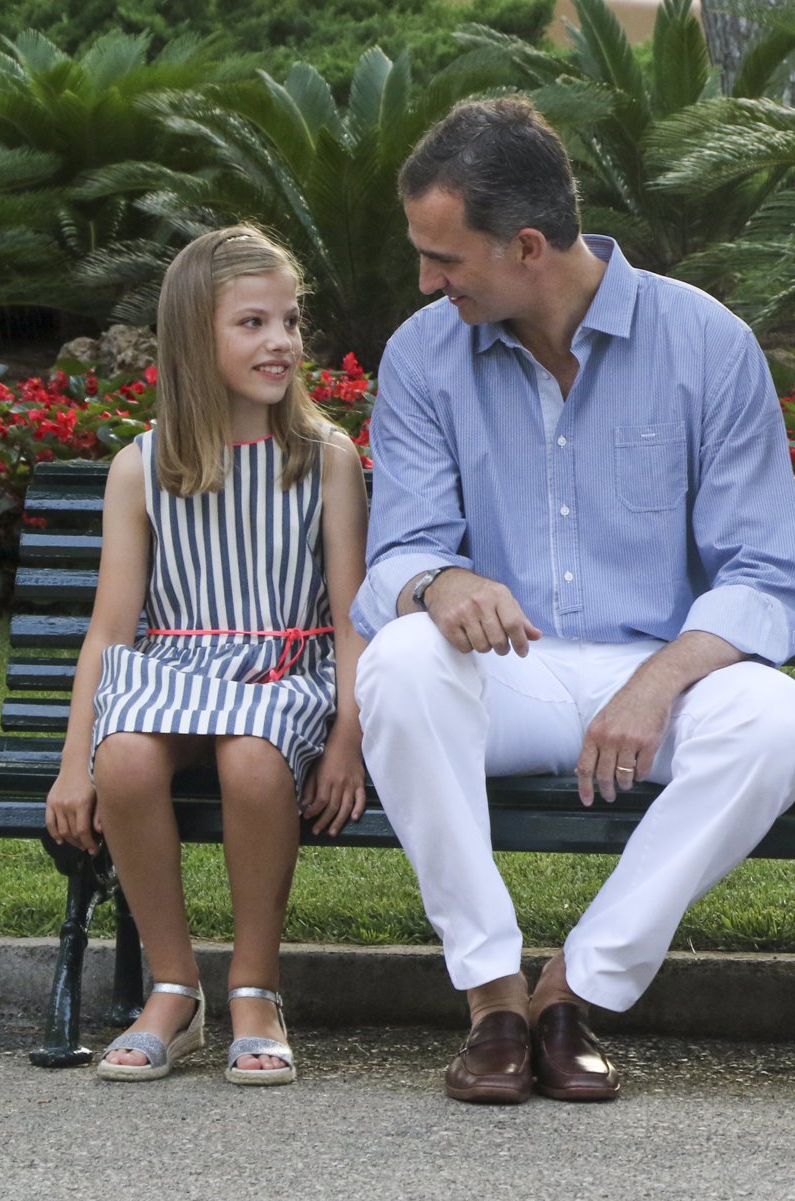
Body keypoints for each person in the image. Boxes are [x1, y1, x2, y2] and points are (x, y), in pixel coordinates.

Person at [351, 97, 795, 1105]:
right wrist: (441, 581)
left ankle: (570, 991)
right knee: (401, 662)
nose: (426, 281)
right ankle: (493, 998)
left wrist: (659, 682)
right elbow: (396, 559)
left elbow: (765, 575)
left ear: (527, 246)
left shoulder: (707, 343)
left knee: (775, 718)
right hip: (507, 674)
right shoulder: (423, 353)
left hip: (661, 673)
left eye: (443, 258)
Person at [46, 224, 369, 1085]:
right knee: (123, 758)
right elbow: (112, 630)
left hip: (284, 671)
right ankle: (174, 989)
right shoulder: (141, 467)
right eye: (253, 322)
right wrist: (75, 762)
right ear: (196, 336)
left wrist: (348, 737)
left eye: (290, 321)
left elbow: (351, 618)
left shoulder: (325, 458)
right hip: (176, 668)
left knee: (254, 762)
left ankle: (255, 989)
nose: (282, 341)